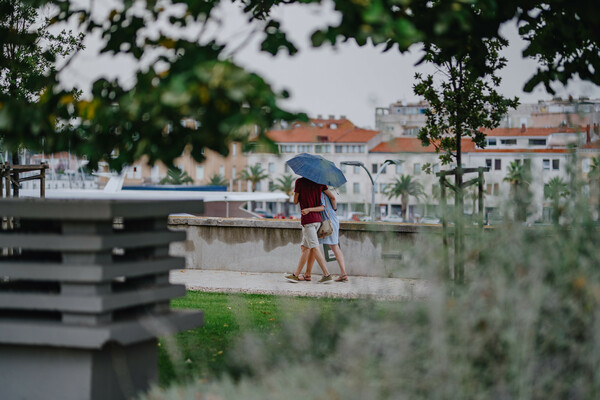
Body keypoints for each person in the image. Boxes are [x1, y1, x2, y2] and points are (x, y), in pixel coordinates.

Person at [285, 177, 333, 283]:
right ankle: (296, 275)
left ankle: (327, 274)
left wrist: (301, 195)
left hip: (308, 221)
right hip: (318, 220)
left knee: (315, 247)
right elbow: (327, 202)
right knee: (305, 248)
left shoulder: (300, 182)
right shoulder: (320, 181)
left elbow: (295, 201)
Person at [301, 190, 348, 282]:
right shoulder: (324, 191)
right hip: (333, 220)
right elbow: (333, 198)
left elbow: (324, 205)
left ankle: (308, 274)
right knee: (334, 247)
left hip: (326, 222)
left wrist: (309, 209)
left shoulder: (320, 191)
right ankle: (343, 273)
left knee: (314, 247)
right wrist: (334, 210)